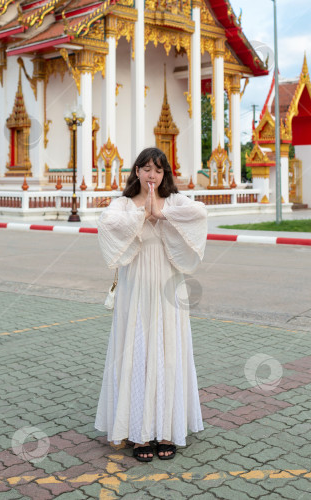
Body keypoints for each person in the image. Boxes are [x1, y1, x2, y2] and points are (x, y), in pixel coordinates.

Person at [94, 147, 208, 461]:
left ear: (165, 173)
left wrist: (161, 214)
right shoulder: (124, 203)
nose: (151, 175)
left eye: (157, 170)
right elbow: (106, 225)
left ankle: (167, 431)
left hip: (169, 290)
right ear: (136, 172)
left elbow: (200, 215)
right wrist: (140, 215)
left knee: (169, 354)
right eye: (145, 169)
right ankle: (138, 433)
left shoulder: (174, 202)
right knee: (136, 354)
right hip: (136, 290)